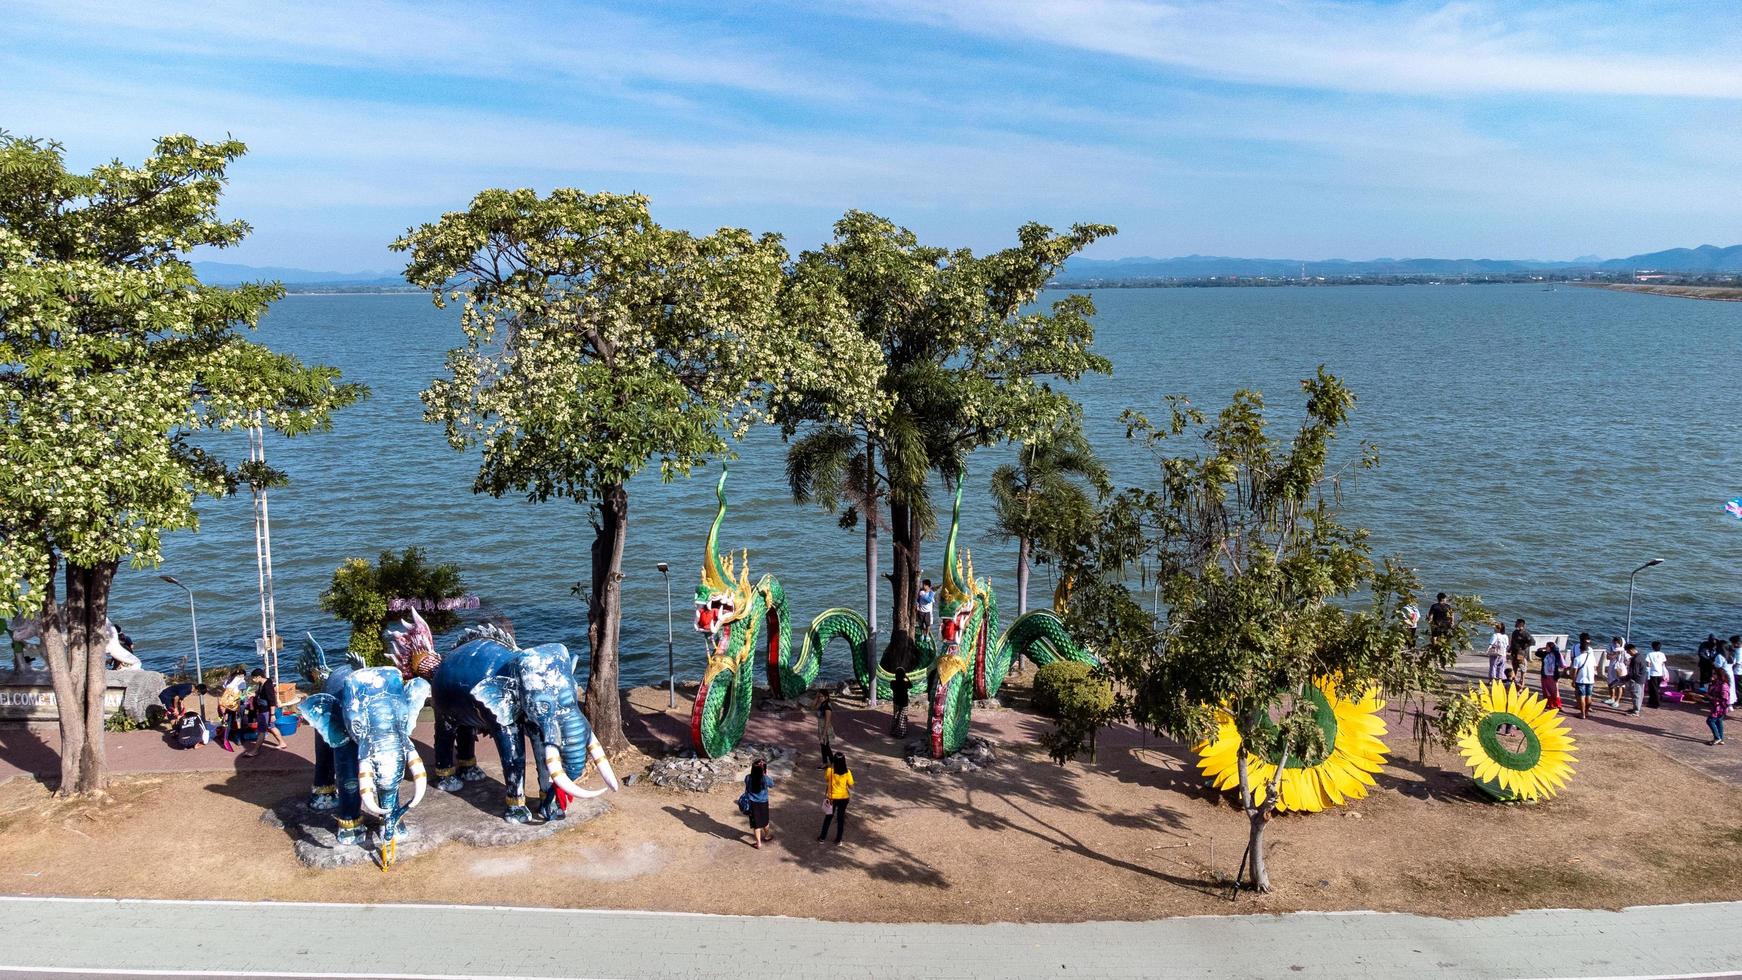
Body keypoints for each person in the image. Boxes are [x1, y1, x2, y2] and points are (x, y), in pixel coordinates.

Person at [242, 669, 285, 757]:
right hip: (263, 710)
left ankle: (255, 750)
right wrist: (254, 695)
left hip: (265, 711)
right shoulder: (262, 683)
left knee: (261, 731)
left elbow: (272, 701)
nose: (253, 680)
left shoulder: (267, 686)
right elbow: (262, 695)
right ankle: (282, 743)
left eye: (254, 678)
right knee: (271, 727)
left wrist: (272, 715)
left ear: (259, 677)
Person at [818, 751, 853, 844]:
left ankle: (822, 838)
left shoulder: (830, 771)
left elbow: (826, 779)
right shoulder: (848, 772)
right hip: (844, 798)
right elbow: (851, 786)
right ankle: (838, 840)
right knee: (840, 819)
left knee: (828, 818)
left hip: (832, 798)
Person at [743, 758, 775, 849]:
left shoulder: (748, 777)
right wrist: (765, 775)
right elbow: (772, 784)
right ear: (764, 770)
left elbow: (747, 784)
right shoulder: (765, 779)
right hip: (764, 803)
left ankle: (758, 843)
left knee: (756, 825)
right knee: (765, 821)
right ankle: (767, 836)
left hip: (753, 803)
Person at [1570, 634, 1598, 720]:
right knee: (1589, 695)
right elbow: (1595, 667)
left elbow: (1574, 669)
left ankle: (1582, 713)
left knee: (1581, 696)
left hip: (1580, 678)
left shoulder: (1576, 654)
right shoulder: (1591, 655)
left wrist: (1573, 680)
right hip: (1590, 678)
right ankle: (1586, 711)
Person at [1538, 640, 1563, 711]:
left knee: (1554, 690)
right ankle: (1549, 704)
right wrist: (1543, 648)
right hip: (1545, 674)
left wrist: (1553, 647)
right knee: (1546, 690)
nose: (1546, 648)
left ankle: (1557, 704)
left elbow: (1557, 651)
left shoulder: (1556, 655)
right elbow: (1537, 652)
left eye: (1547, 647)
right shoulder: (1545, 654)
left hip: (1553, 675)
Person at [1708, 671, 1731, 746]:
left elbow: (1724, 698)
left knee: (1710, 721)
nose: (1712, 675)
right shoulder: (1716, 683)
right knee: (1718, 721)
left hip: (1719, 708)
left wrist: (1712, 698)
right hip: (1715, 706)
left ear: (1719, 675)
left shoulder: (1724, 685)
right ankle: (1721, 739)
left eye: (1714, 673)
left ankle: (1717, 738)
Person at [1604, 636, 1627, 708]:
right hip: (1612, 666)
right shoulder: (1611, 647)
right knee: (1610, 683)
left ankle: (1617, 701)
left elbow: (1627, 660)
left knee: (1619, 685)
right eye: (1615, 642)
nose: (1616, 643)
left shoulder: (1624, 650)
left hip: (1620, 667)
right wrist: (1616, 654)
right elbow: (1608, 657)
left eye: (1617, 642)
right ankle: (1612, 698)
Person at [1625, 643, 1648, 716]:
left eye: (1628, 652)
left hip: (1636, 680)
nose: (1628, 653)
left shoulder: (1635, 659)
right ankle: (1636, 708)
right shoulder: (1640, 656)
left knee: (1636, 695)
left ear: (1631, 650)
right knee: (1639, 695)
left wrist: (1626, 679)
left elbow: (1634, 672)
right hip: (1641, 679)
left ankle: (1636, 711)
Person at [816, 693, 835, 769]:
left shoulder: (827, 707)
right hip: (821, 728)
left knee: (826, 746)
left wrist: (824, 734)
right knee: (823, 745)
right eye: (819, 696)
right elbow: (812, 706)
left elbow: (827, 722)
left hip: (825, 729)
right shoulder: (821, 705)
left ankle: (832, 762)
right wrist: (817, 697)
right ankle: (825, 762)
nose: (820, 698)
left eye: (821, 696)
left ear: (826, 697)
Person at [1646, 641, 1667, 709]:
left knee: (1653, 689)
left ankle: (1656, 703)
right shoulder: (1662, 654)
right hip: (1660, 673)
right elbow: (1663, 664)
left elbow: (1648, 664)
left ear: (1652, 647)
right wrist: (1664, 673)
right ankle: (1651, 701)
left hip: (1653, 673)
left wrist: (1647, 673)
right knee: (1656, 688)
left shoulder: (1650, 654)